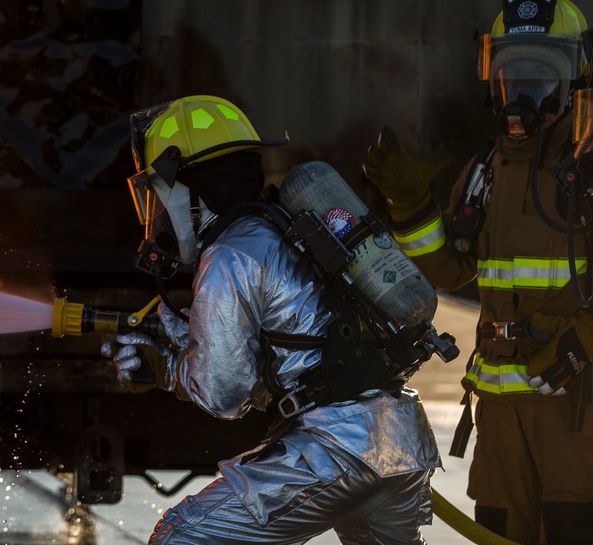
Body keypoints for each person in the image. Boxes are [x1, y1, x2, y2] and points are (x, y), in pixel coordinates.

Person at [104, 94, 441, 544]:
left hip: (339, 449)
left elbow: (224, 394)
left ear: (193, 190)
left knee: (179, 536)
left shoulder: (228, 255)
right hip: (401, 442)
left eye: (163, 195)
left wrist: (165, 368)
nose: (161, 214)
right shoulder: (283, 226)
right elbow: (296, 345)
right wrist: (183, 335)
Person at [364, 0, 593, 544]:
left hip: (577, 416)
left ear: (572, 82)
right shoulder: (487, 172)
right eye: (512, 74)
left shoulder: (587, 170)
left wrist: (583, 341)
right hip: (501, 427)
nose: (524, 94)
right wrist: (411, 208)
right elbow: (449, 271)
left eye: (541, 78)